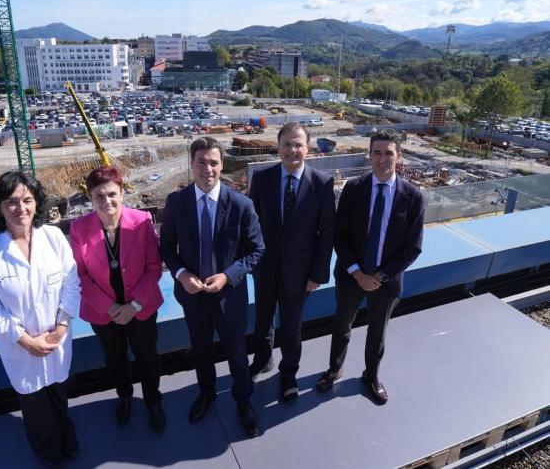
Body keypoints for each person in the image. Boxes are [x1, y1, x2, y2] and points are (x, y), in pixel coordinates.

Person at [0, 171, 81, 466]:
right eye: (12, 202)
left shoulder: (53, 238)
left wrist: (61, 327)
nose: (21, 208)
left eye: (27, 200)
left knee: (59, 392)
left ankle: (67, 439)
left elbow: (71, 286)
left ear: (37, 202)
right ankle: (48, 451)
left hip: (57, 339)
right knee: (35, 404)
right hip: (20, 347)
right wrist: (25, 340)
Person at [160, 137, 265, 437]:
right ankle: (206, 392)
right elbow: (166, 248)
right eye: (201, 162)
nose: (208, 168)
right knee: (201, 350)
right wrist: (182, 274)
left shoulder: (241, 204)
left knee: (237, 352)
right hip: (192, 296)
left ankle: (243, 400)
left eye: (214, 162)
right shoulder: (176, 202)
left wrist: (227, 276)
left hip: (228, 297)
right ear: (192, 164)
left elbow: (256, 250)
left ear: (222, 165)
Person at [316, 130, 425, 404]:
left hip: (386, 282)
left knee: (378, 332)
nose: (382, 159)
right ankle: (334, 369)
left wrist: (379, 276)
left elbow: (413, 247)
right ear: (369, 155)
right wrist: (357, 273)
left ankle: (371, 375)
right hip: (351, 276)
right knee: (342, 325)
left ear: (399, 156)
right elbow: (340, 236)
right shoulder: (353, 189)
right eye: (377, 152)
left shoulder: (413, 197)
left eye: (389, 153)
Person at [69, 166, 166, 434]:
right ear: (90, 198)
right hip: (103, 312)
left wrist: (134, 306)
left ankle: (153, 400)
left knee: (148, 357)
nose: (107, 201)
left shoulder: (142, 221)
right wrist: (111, 308)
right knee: (114, 359)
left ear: (122, 193)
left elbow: (153, 268)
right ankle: (124, 396)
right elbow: (80, 275)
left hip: (141, 307)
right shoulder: (79, 228)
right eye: (99, 196)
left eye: (112, 194)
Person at [248, 122, 335, 403]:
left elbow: (326, 234)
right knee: (262, 320)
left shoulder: (322, 183)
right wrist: (251, 263)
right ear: (278, 147)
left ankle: (288, 373)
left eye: (298, 144)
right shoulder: (262, 178)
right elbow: (251, 225)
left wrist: (318, 274)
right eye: (287, 144)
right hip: (265, 268)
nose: (292, 150)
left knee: (291, 326)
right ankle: (263, 360)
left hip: (300, 273)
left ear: (307, 148)